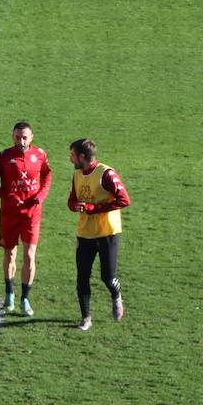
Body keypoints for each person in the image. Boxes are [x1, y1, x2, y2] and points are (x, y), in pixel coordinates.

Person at [68, 138, 131, 330]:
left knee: (108, 277)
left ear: (82, 156)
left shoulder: (106, 173)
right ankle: (86, 318)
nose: (70, 159)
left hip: (107, 233)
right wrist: (75, 206)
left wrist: (94, 208)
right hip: (85, 233)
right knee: (82, 277)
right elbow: (72, 200)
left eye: (72, 155)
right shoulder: (77, 174)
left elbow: (124, 200)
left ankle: (116, 296)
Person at [0, 121, 52, 317]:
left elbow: (47, 175)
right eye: (18, 137)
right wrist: (8, 196)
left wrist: (41, 196)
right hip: (9, 215)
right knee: (9, 255)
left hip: (32, 215)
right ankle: (9, 294)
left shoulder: (40, 155)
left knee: (29, 256)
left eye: (25, 137)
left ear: (31, 137)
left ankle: (25, 298)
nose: (21, 141)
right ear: (12, 136)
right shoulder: (3, 157)